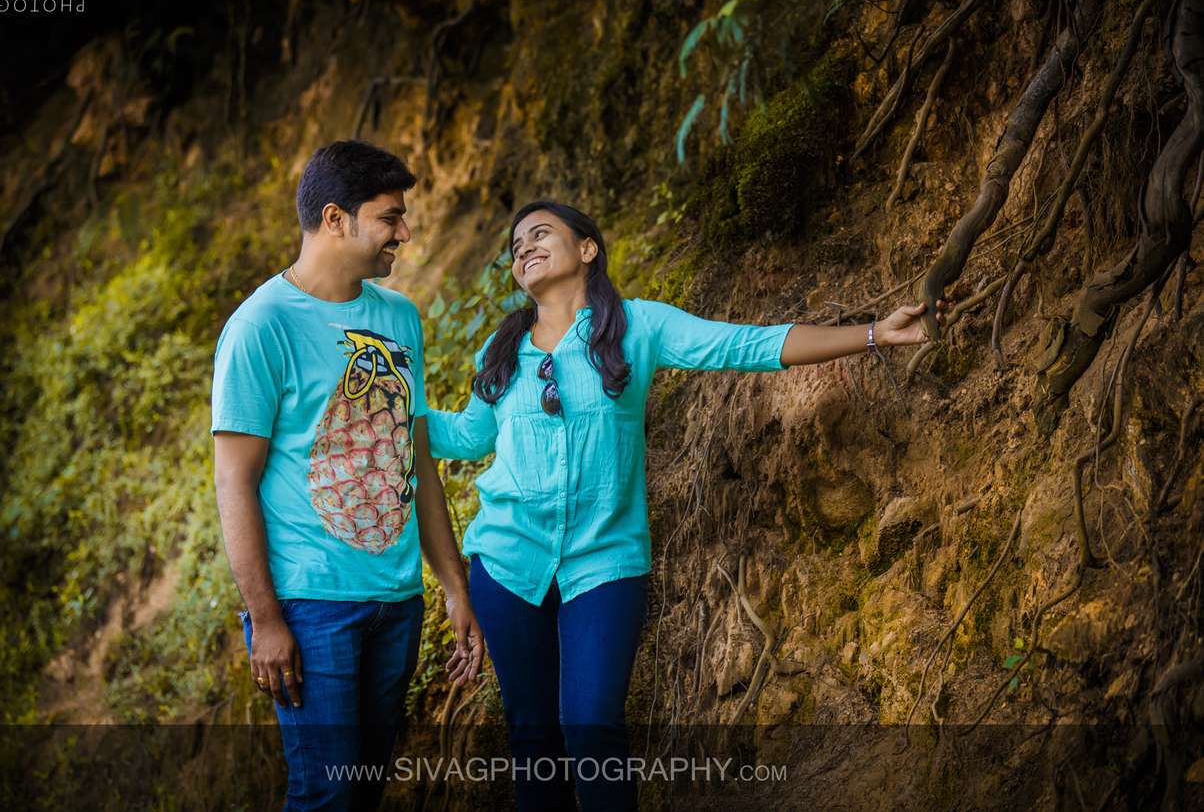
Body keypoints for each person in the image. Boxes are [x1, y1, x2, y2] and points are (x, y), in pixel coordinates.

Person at [427, 200, 950, 811]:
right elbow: (466, 436)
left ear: (587, 248)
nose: (524, 250)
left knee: (593, 726)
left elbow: (743, 344)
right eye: (515, 247)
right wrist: (393, 410)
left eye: (540, 235)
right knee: (532, 736)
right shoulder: (502, 346)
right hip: (507, 566)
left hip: (604, 562)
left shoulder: (636, 327)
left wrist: (871, 334)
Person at [211, 139, 484, 811]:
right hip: (310, 608)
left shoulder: (400, 318)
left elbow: (412, 456)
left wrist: (453, 586)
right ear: (336, 219)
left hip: (397, 602)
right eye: (390, 217)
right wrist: (266, 617)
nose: (405, 232)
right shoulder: (260, 326)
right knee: (326, 795)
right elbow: (233, 480)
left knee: (359, 792)